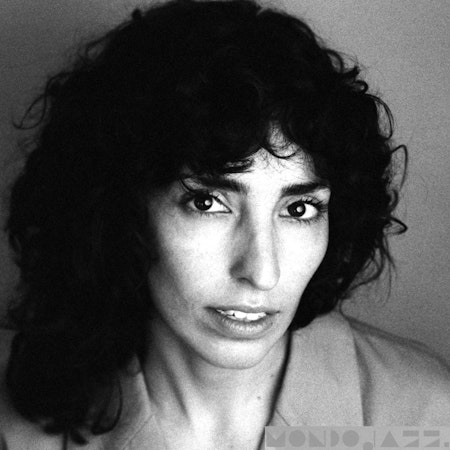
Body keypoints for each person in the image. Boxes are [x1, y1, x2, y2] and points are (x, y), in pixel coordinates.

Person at [1, 0, 449, 448]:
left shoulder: (421, 420)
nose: (262, 272)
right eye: (207, 202)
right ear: (119, 208)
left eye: (299, 210)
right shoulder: (15, 425)